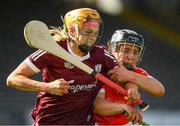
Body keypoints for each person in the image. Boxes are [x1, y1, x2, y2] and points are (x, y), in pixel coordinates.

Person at [6, 8, 143, 125]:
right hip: (49, 122)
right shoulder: (52, 51)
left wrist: (132, 88)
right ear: (72, 31)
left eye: (95, 33)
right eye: (88, 32)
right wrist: (47, 87)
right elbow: (13, 79)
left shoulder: (101, 55)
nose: (92, 38)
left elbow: (125, 75)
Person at [94, 29, 165, 125]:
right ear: (112, 49)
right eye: (125, 51)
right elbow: (97, 106)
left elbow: (159, 90)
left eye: (135, 52)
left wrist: (130, 76)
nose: (130, 56)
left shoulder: (136, 72)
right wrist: (123, 107)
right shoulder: (101, 70)